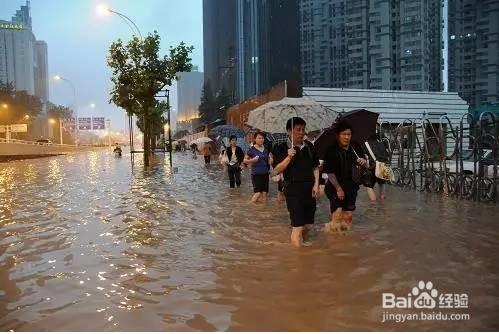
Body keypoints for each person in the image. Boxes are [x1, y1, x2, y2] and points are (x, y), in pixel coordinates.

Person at [272, 117, 320, 247]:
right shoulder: (281, 147)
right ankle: (299, 262)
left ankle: (300, 243)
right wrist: (288, 157)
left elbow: (315, 167)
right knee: (298, 226)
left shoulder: (309, 146)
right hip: (293, 190)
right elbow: (276, 170)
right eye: (298, 130)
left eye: (303, 130)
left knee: (309, 226)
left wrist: (316, 185)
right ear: (289, 131)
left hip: (310, 190)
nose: (301, 133)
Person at [323, 121, 368, 233]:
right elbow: (330, 173)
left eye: (349, 134)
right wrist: (338, 189)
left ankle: (346, 240)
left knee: (348, 216)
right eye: (344, 134)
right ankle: (332, 238)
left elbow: (365, 163)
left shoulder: (355, 147)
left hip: (352, 186)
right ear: (338, 135)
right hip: (334, 187)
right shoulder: (331, 150)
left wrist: (364, 161)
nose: (346, 137)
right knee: (338, 213)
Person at [244, 132, 272, 203]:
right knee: (258, 193)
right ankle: (249, 207)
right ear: (255, 139)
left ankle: (263, 211)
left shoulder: (265, 148)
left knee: (265, 194)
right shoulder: (252, 149)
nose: (261, 140)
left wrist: (270, 159)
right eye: (259, 138)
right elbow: (244, 160)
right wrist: (252, 160)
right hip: (256, 174)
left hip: (265, 173)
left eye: (262, 138)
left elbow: (268, 158)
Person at [363, 135, 390, 201]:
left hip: (373, 167)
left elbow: (364, 157)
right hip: (383, 166)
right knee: (382, 184)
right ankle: (382, 203)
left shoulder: (365, 144)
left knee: (369, 186)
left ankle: (373, 205)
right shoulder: (381, 143)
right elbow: (387, 155)